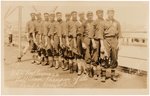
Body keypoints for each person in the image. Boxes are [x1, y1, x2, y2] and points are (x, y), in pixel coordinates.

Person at [103, 9, 122, 82]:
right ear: (107, 13)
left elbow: (120, 34)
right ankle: (103, 75)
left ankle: (113, 76)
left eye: (112, 13)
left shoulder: (117, 22)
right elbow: (101, 35)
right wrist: (102, 45)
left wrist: (119, 44)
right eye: (109, 13)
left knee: (114, 58)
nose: (111, 14)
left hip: (114, 40)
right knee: (104, 58)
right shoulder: (104, 22)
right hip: (106, 40)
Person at [92, 10, 105, 80]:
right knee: (95, 57)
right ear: (96, 14)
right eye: (99, 13)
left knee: (103, 57)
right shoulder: (95, 22)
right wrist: (93, 42)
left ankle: (102, 74)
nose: (101, 14)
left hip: (103, 41)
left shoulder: (105, 21)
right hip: (96, 41)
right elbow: (91, 34)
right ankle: (95, 74)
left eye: (102, 13)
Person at [82, 11, 95, 77]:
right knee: (87, 55)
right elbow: (81, 34)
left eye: (91, 15)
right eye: (89, 15)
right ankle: (88, 70)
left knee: (93, 54)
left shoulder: (94, 22)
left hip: (93, 39)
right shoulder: (84, 23)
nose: (90, 16)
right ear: (87, 16)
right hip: (86, 39)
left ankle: (92, 69)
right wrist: (83, 43)